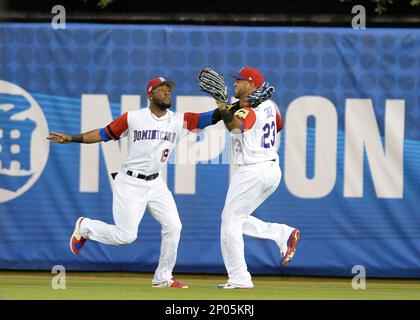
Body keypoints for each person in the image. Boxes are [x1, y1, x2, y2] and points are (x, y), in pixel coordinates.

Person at [47, 77, 210, 289]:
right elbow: (103, 134)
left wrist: (226, 108)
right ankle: (85, 227)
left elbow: (207, 119)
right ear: (150, 94)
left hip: (156, 183)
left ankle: (163, 277)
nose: (167, 92)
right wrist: (71, 138)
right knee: (126, 236)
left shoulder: (179, 120)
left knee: (174, 226)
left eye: (169, 89)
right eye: (162, 89)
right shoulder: (133, 118)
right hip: (130, 182)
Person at [214, 66, 301, 289]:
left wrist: (224, 108)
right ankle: (283, 233)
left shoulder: (249, 109)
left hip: (252, 170)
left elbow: (235, 128)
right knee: (234, 217)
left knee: (230, 222)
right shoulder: (270, 105)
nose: (235, 83)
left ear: (252, 84)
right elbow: (278, 126)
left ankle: (240, 278)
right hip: (271, 169)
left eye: (240, 80)